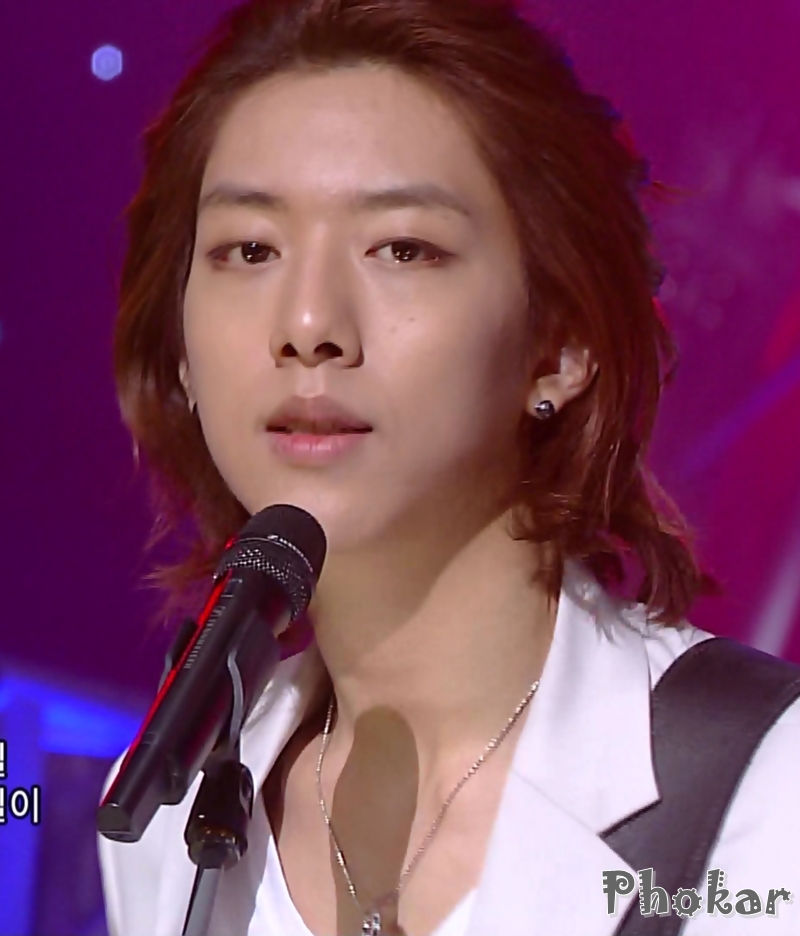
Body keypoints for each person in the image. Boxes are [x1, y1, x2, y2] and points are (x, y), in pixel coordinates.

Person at [97, 0, 800, 933]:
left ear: (561, 342)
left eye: (403, 248)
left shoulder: (769, 789)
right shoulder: (162, 817)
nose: (307, 324)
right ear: (182, 351)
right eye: (250, 249)